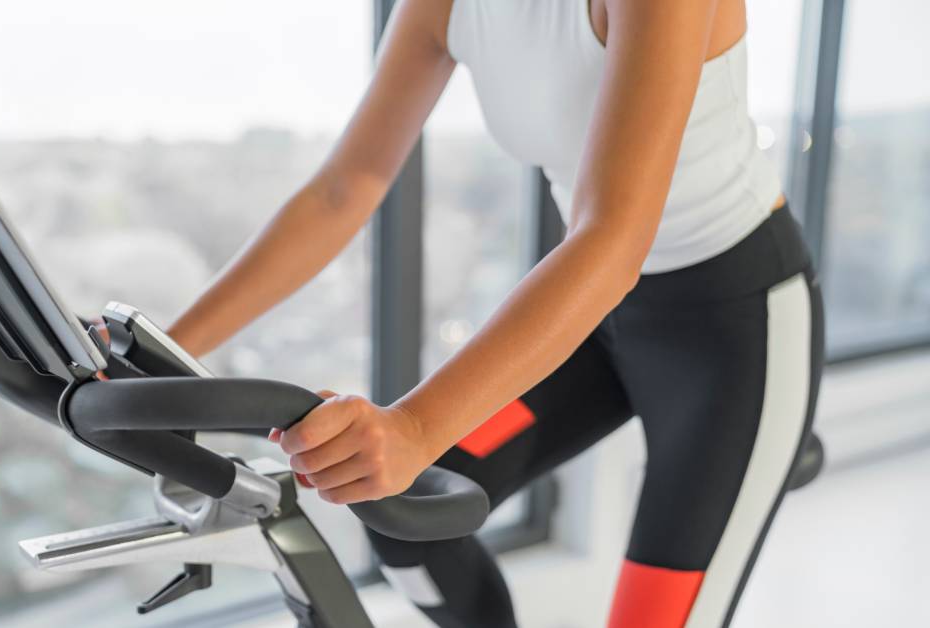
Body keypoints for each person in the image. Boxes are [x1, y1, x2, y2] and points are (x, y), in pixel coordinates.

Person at [166, 0, 824, 625]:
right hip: (595, 321)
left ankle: (759, 447)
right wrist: (162, 355)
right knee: (412, 525)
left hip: (736, 329)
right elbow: (345, 188)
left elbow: (611, 239)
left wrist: (416, 429)